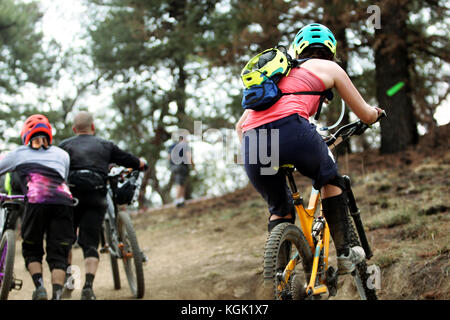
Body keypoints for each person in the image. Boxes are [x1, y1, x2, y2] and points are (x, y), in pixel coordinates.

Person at [235, 23, 384, 275]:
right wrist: (375, 114)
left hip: (253, 142)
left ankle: (278, 277)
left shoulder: (277, 75)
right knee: (330, 178)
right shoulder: (330, 67)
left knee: (280, 210)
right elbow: (365, 115)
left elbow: (241, 127)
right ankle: (346, 252)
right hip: (294, 130)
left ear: (297, 49)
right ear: (330, 51)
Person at [58, 111, 146, 300]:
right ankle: (88, 288)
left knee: (66, 240)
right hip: (96, 196)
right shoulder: (105, 145)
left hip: (70, 197)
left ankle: (69, 279)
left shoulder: (64, 146)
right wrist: (141, 163)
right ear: (93, 127)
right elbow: (130, 160)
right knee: (90, 244)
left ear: (74, 129)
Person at [0, 114, 75, 300]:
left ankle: (40, 287)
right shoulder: (62, 154)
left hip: (36, 202)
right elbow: (63, 178)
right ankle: (57, 293)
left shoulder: (18, 153)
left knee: (32, 248)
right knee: (58, 251)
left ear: (26, 135)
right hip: (63, 202)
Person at [168, 136, 195, 207]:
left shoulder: (173, 146)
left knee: (179, 182)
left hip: (174, 167)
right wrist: (193, 166)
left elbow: (169, 157)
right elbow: (189, 156)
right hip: (181, 166)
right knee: (181, 183)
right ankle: (177, 200)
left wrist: (171, 165)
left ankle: (181, 199)